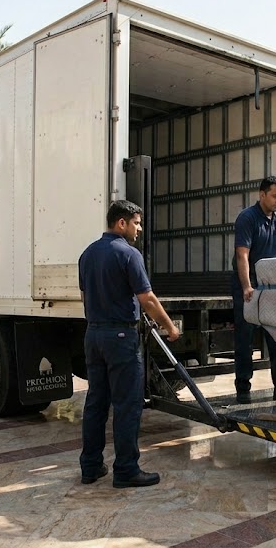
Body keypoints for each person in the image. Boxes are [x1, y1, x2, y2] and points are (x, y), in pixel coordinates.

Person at [78, 200, 180, 488]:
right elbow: (146, 298)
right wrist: (170, 327)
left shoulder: (87, 255)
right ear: (121, 223)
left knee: (96, 402)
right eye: (136, 222)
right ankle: (125, 469)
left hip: (93, 334)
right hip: (120, 337)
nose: (139, 229)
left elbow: (85, 298)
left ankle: (91, 466)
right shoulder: (128, 254)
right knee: (127, 404)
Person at [232, 176, 276, 404]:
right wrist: (246, 286)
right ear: (262, 195)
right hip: (249, 286)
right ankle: (243, 389)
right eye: (275, 196)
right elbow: (242, 254)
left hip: (273, 288)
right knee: (245, 339)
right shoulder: (247, 218)